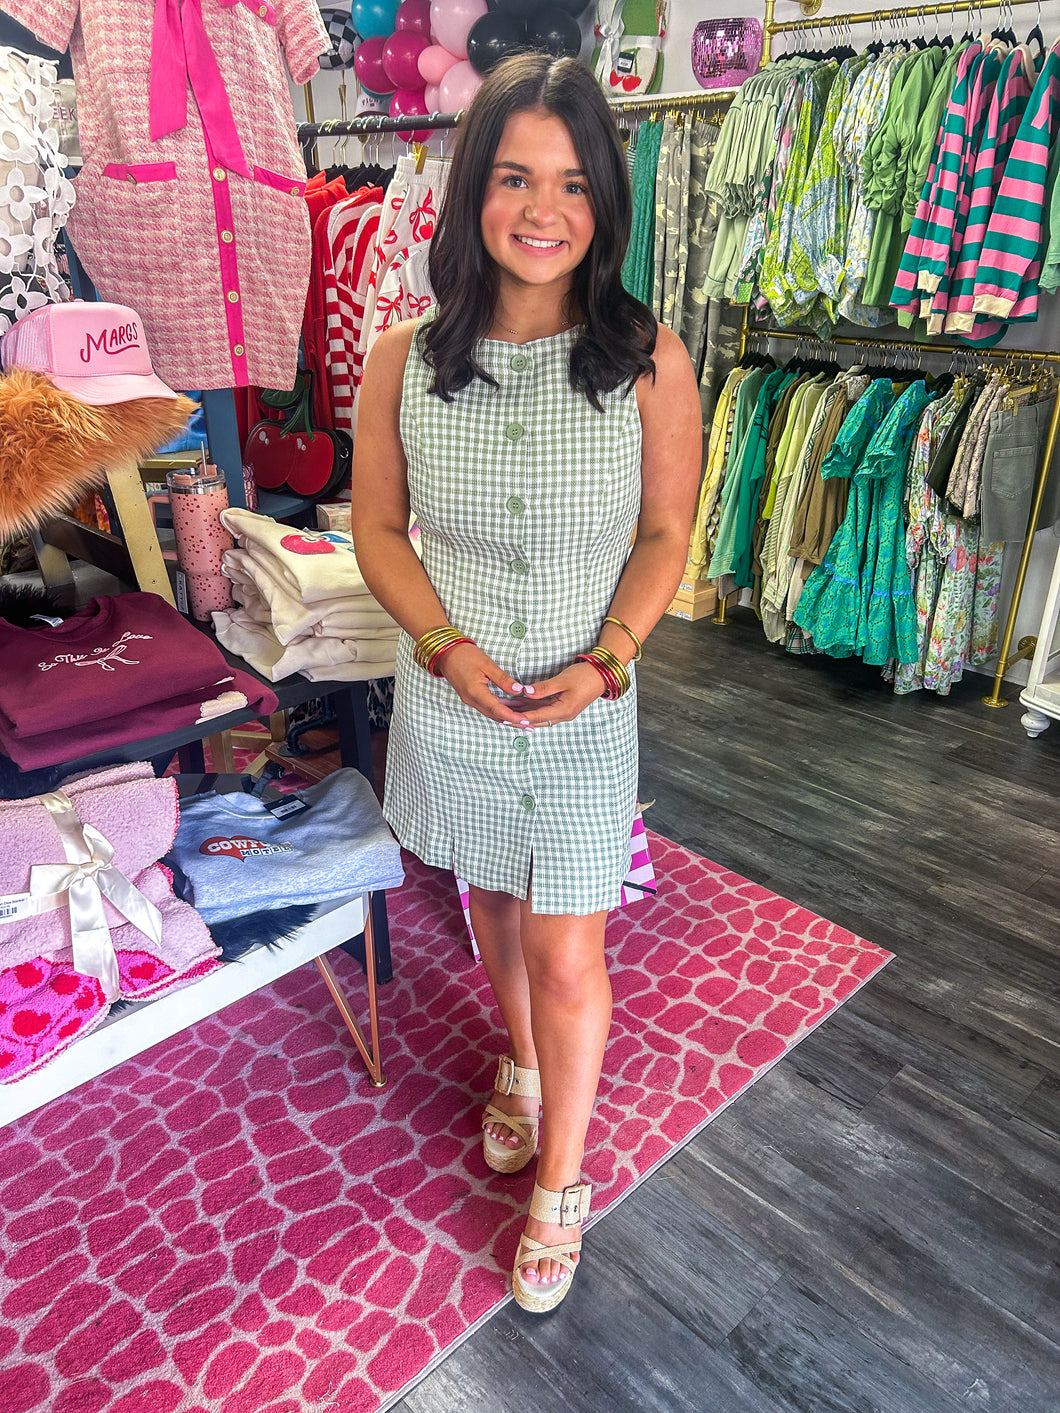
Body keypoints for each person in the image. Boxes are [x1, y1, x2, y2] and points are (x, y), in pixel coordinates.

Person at [351, 53, 701, 1314]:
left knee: (568, 949)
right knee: (489, 898)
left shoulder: (647, 360)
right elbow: (378, 533)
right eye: (512, 177)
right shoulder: (402, 359)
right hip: (452, 694)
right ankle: (522, 1066)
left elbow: (666, 534)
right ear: (471, 193)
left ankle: (562, 1174)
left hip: (582, 700)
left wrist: (609, 659)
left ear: (603, 199)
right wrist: (447, 649)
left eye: (568, 182)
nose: (540, 210)